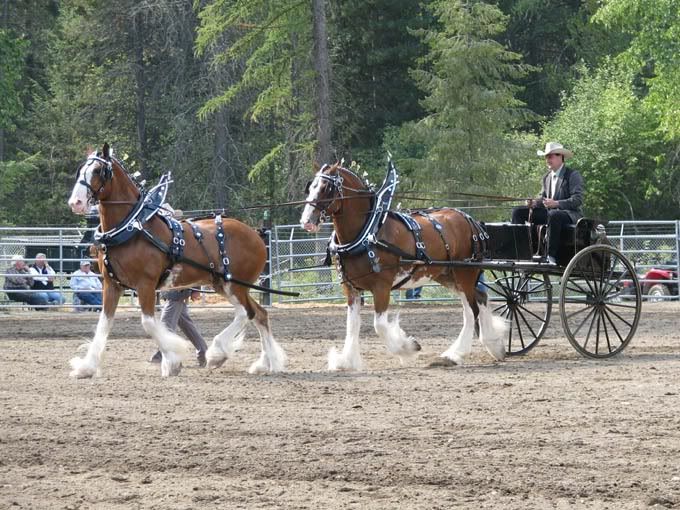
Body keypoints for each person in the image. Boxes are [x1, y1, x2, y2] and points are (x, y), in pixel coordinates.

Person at [511, 142, 584, 265]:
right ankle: (520, 251)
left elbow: (577, 200)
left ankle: (551, 256)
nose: (547, 160)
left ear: (560, 156)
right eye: (546, 157)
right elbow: (543, 198)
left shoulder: (572, 175)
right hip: (551, 214)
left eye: (550, 156)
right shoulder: (546, 178)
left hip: (569, 215)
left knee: (554, 215)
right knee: (518, 212)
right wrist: (534, 203)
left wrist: (556, 203)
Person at [149, 289, 208, 367]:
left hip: (177, 291)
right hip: (175, 292)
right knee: (188, 327)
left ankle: (163, 355)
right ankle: (204, 353)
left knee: (166, 324)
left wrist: (195, 289)